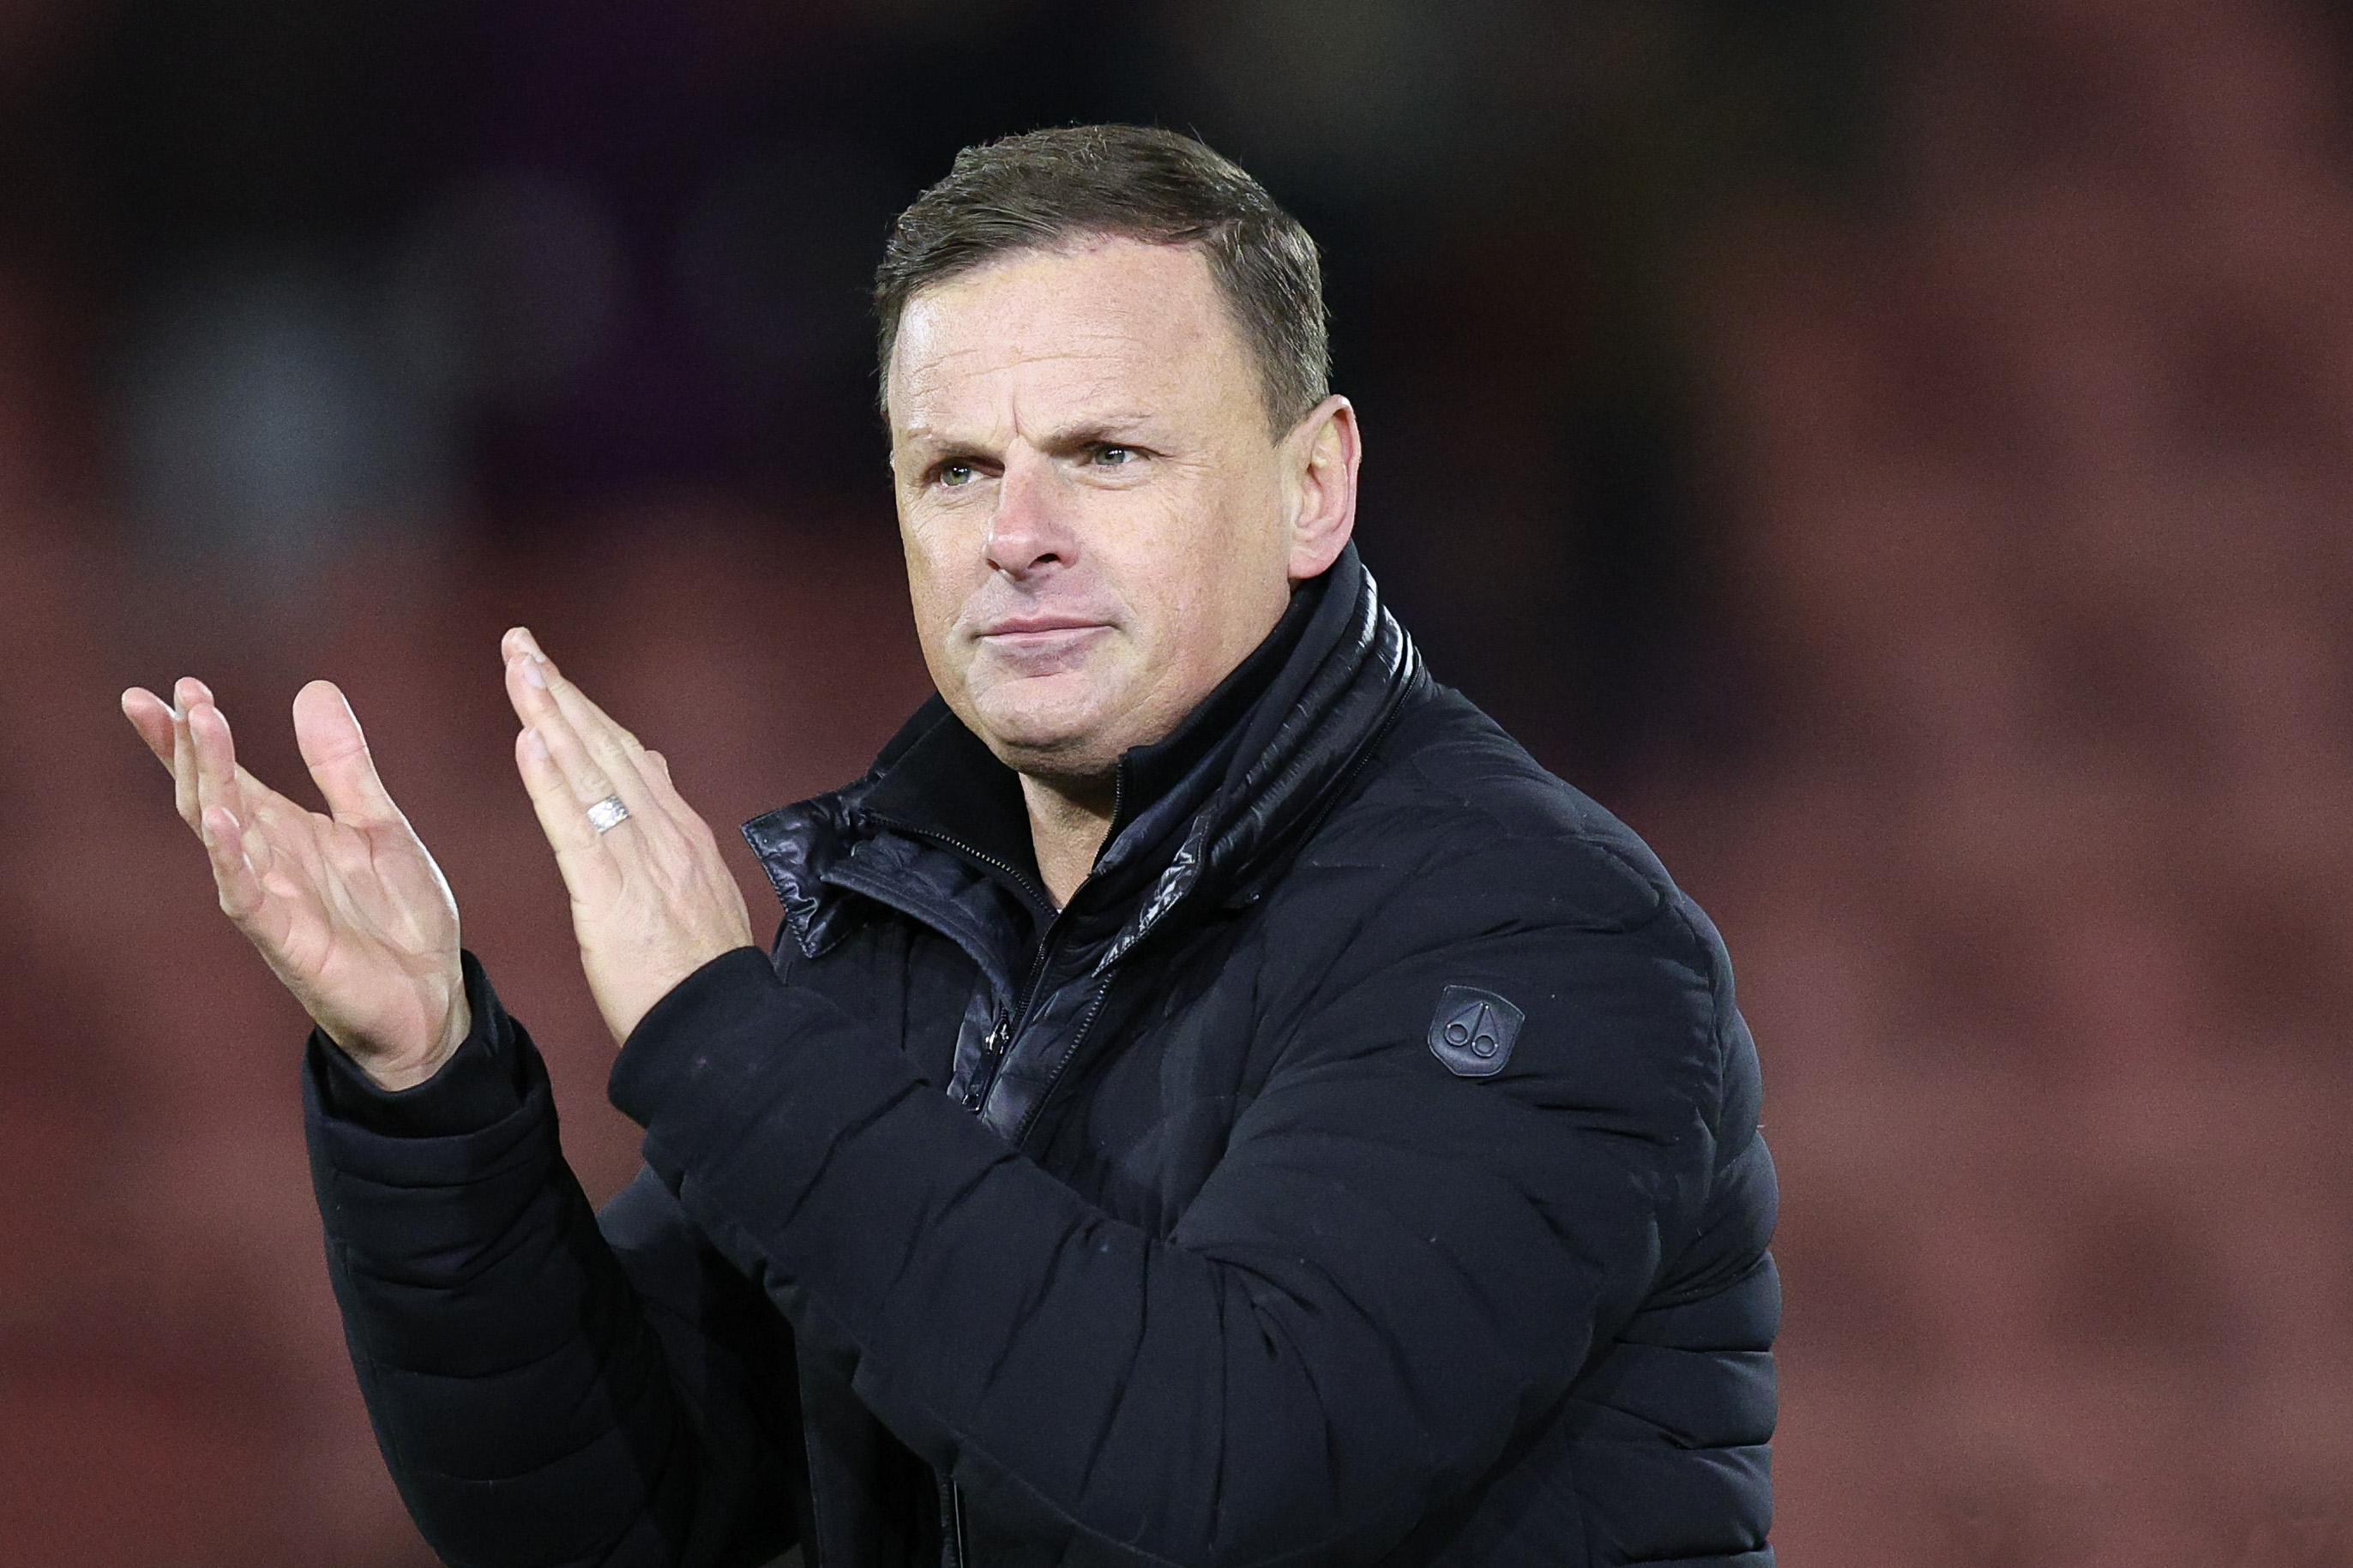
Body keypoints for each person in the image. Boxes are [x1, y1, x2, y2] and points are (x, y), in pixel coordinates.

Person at [122, 126, 1778, 1567]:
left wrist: (723, 1032)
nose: (1015, 536)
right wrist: (429, 1085)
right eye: (956, 468)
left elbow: (1227, 1467)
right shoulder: (902, 922)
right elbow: (600, 1509)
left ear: (1314, 485)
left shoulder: (1538, 933)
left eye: (1106, 455)